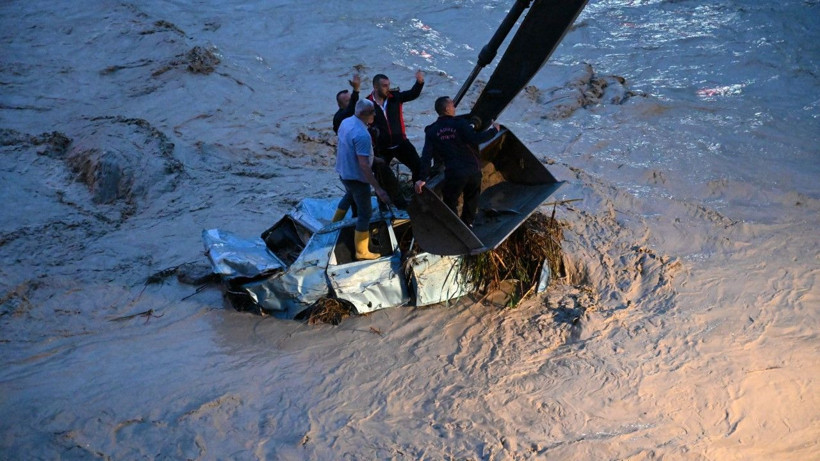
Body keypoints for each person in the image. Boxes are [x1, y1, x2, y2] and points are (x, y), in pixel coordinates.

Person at [414, 96, 500, 227]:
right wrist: (494, 131)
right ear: (447, 108)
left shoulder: (432, 130)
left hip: (455, 172)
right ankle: (468, 224)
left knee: (450, 200)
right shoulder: (460, 123)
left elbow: (426, 155)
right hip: (473, 169)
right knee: (472, 198)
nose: (454, 108)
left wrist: (422, 178)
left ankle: (457, 227)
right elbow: (476, 139)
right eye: (453, 105)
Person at [333, 74, 407, 208]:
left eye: (352, 100)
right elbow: (363, 163)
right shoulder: (341, 119)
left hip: (354, 160)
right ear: (340, 106)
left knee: (352, 193)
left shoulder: (352, 121)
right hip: (353, 163)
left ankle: (393, 202)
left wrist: (374, 158)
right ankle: (396, 204)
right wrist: (356, 91)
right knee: (359, 200)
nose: (352, 103)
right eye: (347, 101)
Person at [333, 99, 390, 260]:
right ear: (365, 114)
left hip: (344, 171)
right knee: (365, 214)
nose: (374, 115)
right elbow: (364, 165)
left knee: (349, 195)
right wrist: (378, 189)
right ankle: (362, 252)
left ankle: (334, 223)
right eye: (373, 112)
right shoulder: (362, 134)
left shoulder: (346, 122)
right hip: (357, 177)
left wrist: (374, 158)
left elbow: (351, 148)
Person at [367, 71, 424, 182]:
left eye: (388, 85)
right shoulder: (367, 103)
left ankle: (417, 194)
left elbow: (413, 94)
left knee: (418, 167)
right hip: (382, 147)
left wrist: (419, 82)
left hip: (401, 142)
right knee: (380, 175)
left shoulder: (395, 97)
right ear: (375, 87)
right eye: (384, 86)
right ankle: (384, 197)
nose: (388, 88)